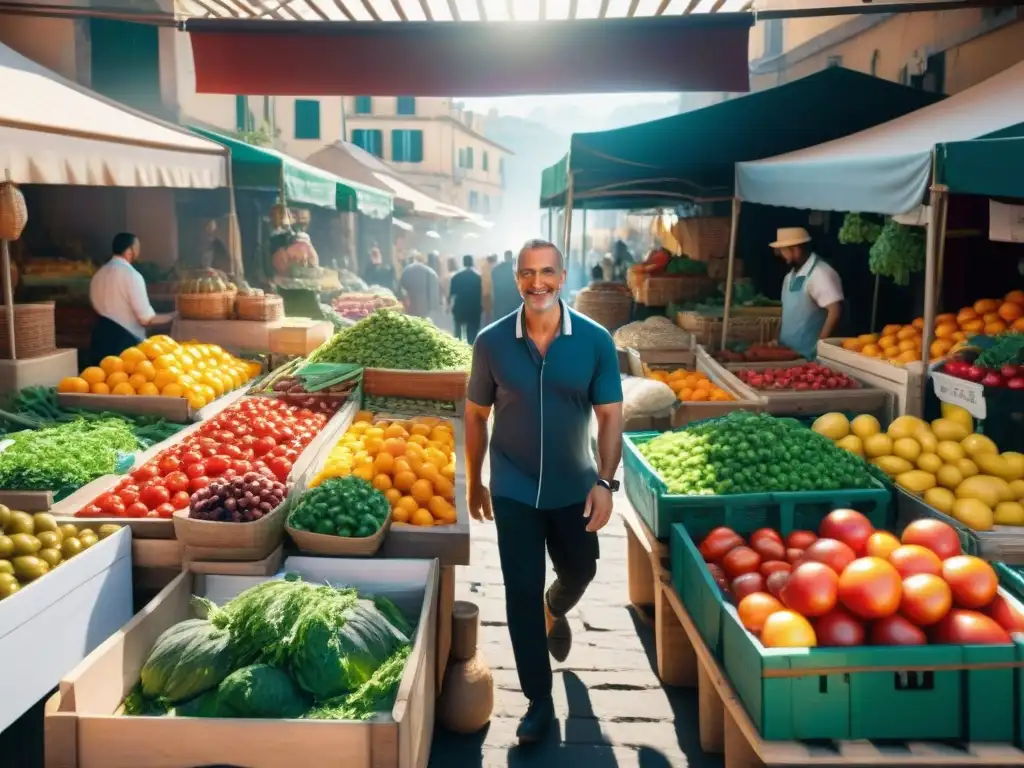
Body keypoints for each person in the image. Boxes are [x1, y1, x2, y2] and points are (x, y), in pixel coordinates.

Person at [465, 238, 624, 744]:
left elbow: (610, 417)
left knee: (582, 568)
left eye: (548, 272)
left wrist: (604, 481)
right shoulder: (490, 342)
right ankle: (538, 701)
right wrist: (475, 479)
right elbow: (475, 415)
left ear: (562, 277)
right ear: (516, 280)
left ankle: (554, 608)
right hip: (512, 486)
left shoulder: (595, 341)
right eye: (528, 274)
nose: (538, 283)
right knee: (518, 591)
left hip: (574, 484)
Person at [88, 233, 173, 365]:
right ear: (129, 251)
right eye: (137, 247)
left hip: (99, 340)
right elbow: (146, 319)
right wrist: (173, 316)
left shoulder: (98, 275)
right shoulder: (132, 276)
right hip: (125, 345)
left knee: (101, 382)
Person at [771, 227, 844, 359]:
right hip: (788, 353)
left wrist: (819, 347)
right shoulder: (789, 277)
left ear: (796, 250)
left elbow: (835, 311)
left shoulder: (821, 273)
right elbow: (786, 312)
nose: (781, 255)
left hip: (811, 357)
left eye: (783, 251)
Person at [448, 254, 483, 344]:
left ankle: (457, 349)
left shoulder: (457, 276)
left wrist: (448, 306)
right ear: (472, 262)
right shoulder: (478, 277)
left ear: (463, 262)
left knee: (458, 333)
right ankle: (471, 352)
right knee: (472, 335)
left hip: (460, 307)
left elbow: (452, 294)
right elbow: (481, 294)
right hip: (473, 308)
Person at [399, 251, 440, 319]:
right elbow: (434, 294)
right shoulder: (431, 272)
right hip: (426, 307)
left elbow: (401, 290)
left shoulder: (407, 271)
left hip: (411, 305)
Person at [491, 249, 521, 320]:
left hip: (501, 301)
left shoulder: (496, 269)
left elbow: (494, 284)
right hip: (515, 301)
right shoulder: (518, 269)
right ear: (511, 256)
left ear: (505, 257)